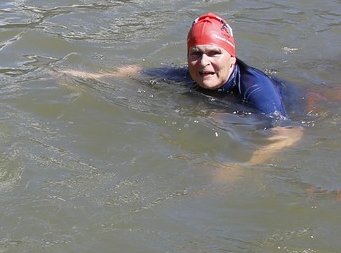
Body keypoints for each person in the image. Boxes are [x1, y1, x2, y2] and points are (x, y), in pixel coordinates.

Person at [61, 12, 303, 169]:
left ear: (232, 59)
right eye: (195, 54)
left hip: (306, 102)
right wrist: (89, 78)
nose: (204, 63)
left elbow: (290, 133)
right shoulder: (187, 75)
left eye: (214, 53)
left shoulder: (257, 89)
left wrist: (234, 167)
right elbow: (135, 72)